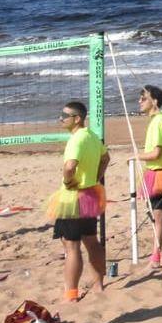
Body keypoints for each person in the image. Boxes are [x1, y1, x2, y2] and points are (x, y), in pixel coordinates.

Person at [50, 100, 107, 301]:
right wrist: (96, 177)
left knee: (71, 246)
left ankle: (71, 293)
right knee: (91, 241)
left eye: (64, 116)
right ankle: (99, 285)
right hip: (90, 194)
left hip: (73, 196)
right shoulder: (92, 136)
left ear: (77, 119)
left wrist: (69, 181)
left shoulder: (77, 139)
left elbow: (69, 166)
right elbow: (106, 158)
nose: (60, 118)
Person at [136, 85, 162, 268]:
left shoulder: (159, 121)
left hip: (160, 175)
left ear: (154, 101)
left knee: (159, 216)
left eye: (143, 98)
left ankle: (156, 257)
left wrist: (136, 156)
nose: (139, 101)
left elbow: (156, 153)